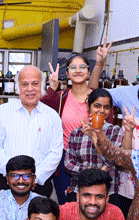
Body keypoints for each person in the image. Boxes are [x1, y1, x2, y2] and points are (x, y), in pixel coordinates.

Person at [41, 46, 110, 200]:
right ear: (67, 73)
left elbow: (108, 127)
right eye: (73, 67)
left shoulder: (98, 99)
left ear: (88, 71)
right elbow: (40, 110)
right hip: (67, 159)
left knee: (92, 205)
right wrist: (52, 88)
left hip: (95, 157)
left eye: (82, 67)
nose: (78, 71)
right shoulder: (61, 97)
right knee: (67, 206)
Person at [0, 65, 63, 197]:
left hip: (39, 184)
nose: (30, 89)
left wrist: (36, 177)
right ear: (17, 87)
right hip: (7, 183)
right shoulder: (2, 112)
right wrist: (11, 175)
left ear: (42, 86)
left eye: (35, 83)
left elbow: (56, 152)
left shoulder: (53, 116)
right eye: (24, 84)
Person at [63, 88, 130, 212]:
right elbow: (68, 164)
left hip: (108, 193)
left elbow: (112, 159)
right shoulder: (77, 133)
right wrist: (92, 172)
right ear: (88, 107)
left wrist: (95, 136)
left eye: (106, 107)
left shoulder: (115, 131)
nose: (101, 111)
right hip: (78, 191)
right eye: (97, 106)